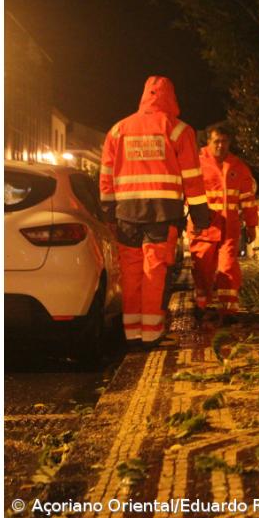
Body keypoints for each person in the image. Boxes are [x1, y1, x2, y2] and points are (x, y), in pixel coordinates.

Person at [100, 75, 210, 346]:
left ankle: (132, 332)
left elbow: (105, 174)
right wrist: (200, 214)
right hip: (162, 212)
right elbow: (192, 177)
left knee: (131, 271)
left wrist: (108, 210)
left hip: (126, 212)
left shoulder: (118, 130)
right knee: (155, 271)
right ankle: (152, 332)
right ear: (171, 97)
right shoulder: (178, 130)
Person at [187, 122, 259, 321]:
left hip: (229, 226)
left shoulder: (238, 166)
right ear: (208, 142)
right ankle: (202, 304)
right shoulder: (195, 163)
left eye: (225, 141)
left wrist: (252, 224)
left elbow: (248, 199)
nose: (221, 145)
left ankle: (228, 311)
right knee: (202, 268)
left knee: (227, 267)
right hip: (204, 226)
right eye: (217, 141)